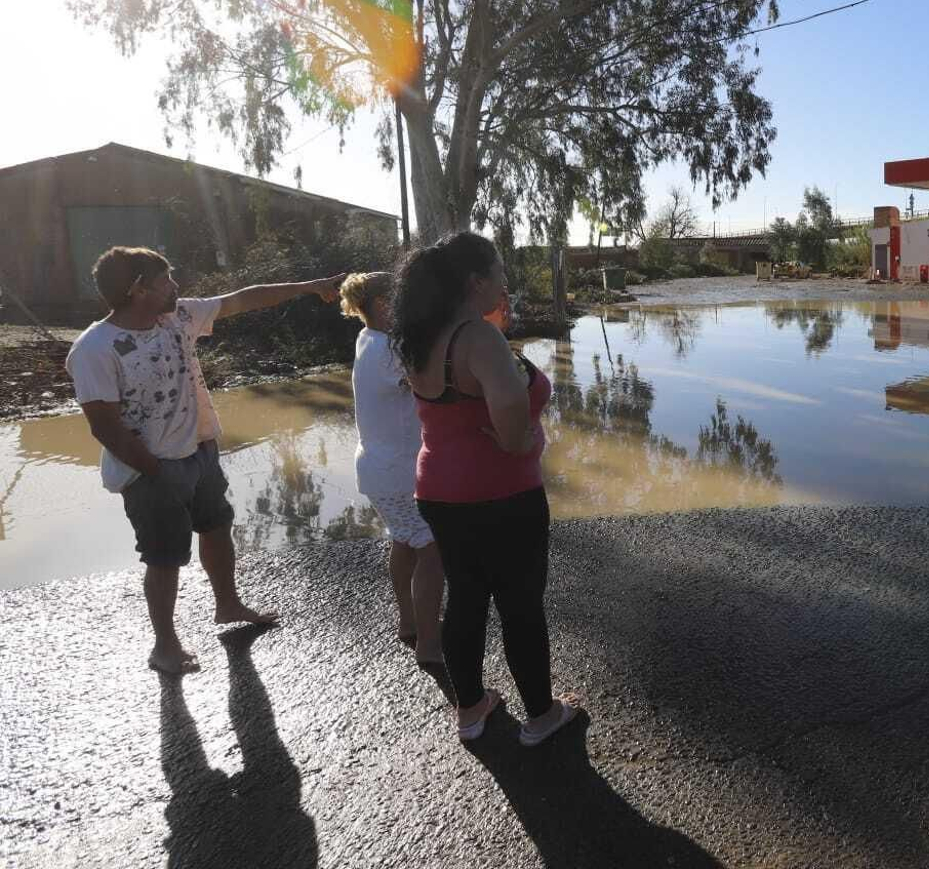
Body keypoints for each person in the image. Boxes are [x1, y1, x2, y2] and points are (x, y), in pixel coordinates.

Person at [64, 247, 344, 675]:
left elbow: (244, 298)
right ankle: (165, 645)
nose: (175, 287)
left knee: (216, 526)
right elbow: (105, 427)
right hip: (149, 469)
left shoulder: (178, 317)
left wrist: (308, 287)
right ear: (138, 289)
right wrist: (156, 472)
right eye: (165, 280)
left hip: (201, 450)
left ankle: (228, 604)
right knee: (164, 556)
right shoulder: (94, 349)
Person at [391, 232, 580, 745]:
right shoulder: (479, 339)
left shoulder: (420, 336)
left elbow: (461, 398)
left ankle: (470, 710)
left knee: (467, 599)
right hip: (502, 494)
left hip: (438, 491)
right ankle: (541, 717)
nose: (505, 280)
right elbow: (513, 421)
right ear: (476, 282)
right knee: (520, 605)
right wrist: (519, 440)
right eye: (499, 271)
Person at [339, 272, 443, 666]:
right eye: (403, 297)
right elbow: (433, 381)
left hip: (379, 468)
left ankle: (410, 622)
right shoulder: (389, 352)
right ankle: (430, 643)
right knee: (434, 551)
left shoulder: (369, 339)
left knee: (406, 542)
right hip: (399, 472)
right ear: (384, 304)